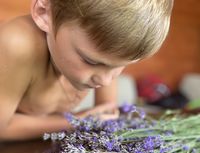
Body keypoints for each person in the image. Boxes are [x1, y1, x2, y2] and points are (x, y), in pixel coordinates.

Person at [0, 0, 174, 141]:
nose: (106, 81)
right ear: (44, 13)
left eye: (121, 65)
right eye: (90, 61)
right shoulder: (17, 44)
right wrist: (75, 122)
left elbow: (106, 112)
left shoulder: (107, 59)